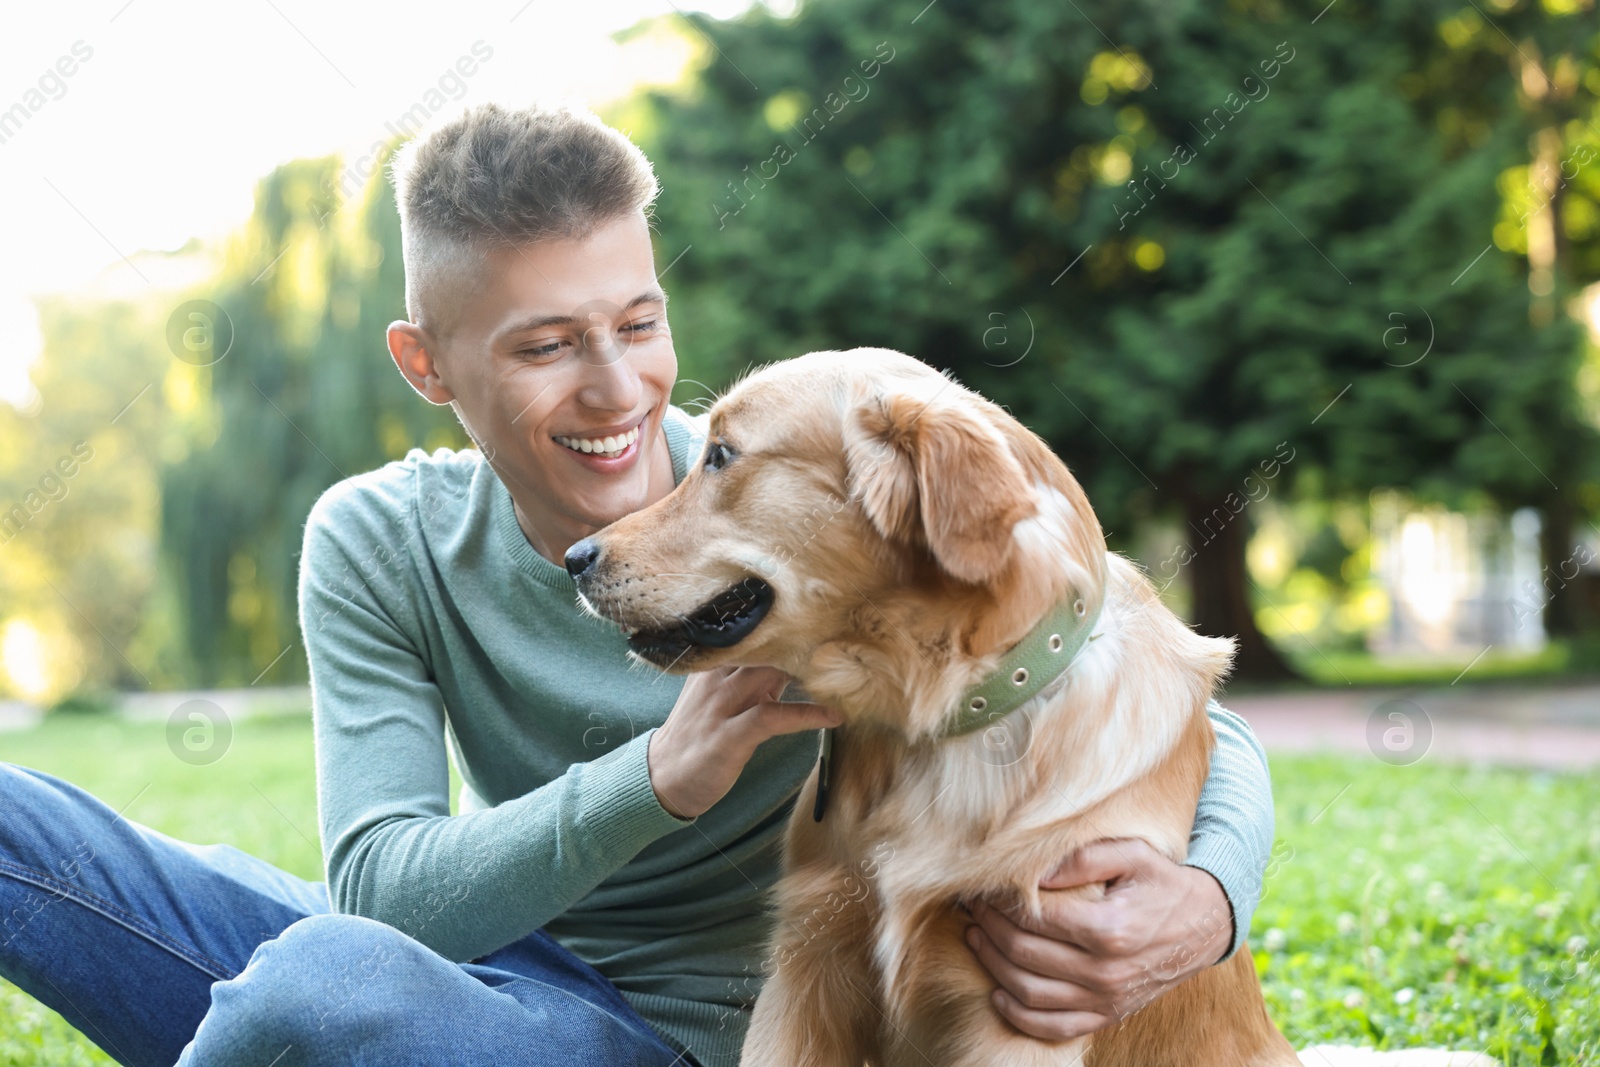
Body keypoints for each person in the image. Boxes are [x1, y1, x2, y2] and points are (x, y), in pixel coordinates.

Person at [0, 102, 1276, 1067]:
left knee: (314, 991)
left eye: (639, 320)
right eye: (547, 345)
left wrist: (1205, 902)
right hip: (455, 961)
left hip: (659, 1036)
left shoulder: (794, 507)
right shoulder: (378, 535)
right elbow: (387, 889)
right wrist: (660, 777)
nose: (617, 391)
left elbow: (1144, 688)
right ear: (426, 362)